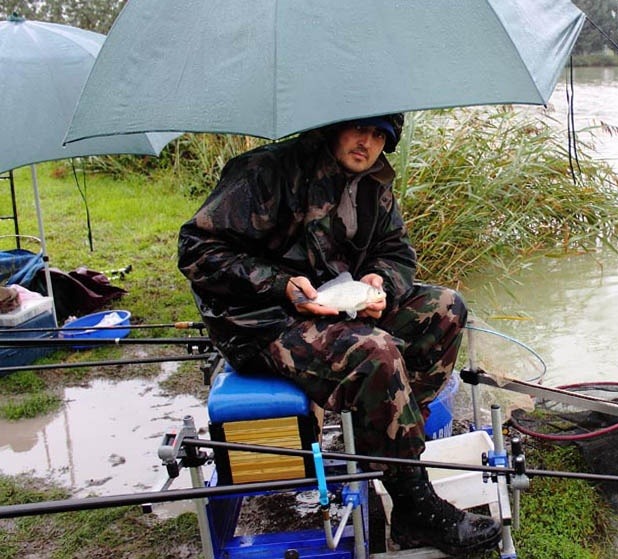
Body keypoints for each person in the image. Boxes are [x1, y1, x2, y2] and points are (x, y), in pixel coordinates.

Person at [177, 114, 501, 555]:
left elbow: (397, 252)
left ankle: (387, 450)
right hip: (262, 320)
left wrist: (380, 282)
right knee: (375, 352)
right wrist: (281, 286)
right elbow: (196, 249)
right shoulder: (267, 172)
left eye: (379, 136)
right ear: (334, 127)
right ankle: (414, 507)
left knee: (445, 309)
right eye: (359, 130)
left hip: (337, 306)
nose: (366, 143)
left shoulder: (373, 185)